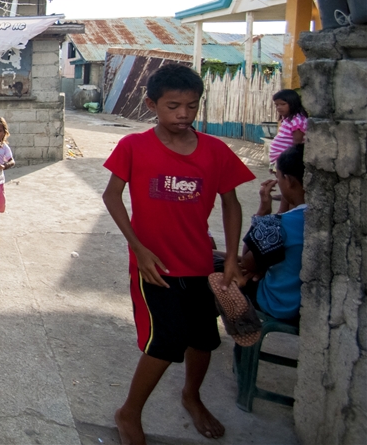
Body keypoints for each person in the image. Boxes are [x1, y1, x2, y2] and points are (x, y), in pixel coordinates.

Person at [101, 63, 255, 445]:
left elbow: (231, 204)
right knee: (166, 342)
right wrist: (138, 247)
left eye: (191, 105)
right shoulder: (133, 146)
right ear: (152, 104)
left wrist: (232, 258)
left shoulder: (216, 152)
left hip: (201, 265)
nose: (183, 114)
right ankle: (129, 412)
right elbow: (111, 196)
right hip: (154, 267)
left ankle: (192, 395)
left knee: (204, 339)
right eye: (173, 106)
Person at [241, 144, 305, 322]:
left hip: (279, 305)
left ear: (288, 180)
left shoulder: (278, 224)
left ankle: (244, 336)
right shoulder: (319, 218)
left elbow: (247, 262)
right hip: (305, 307)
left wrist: (262, 211)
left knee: (226, 278)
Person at [268, 89, 307, 169]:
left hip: (287, 162)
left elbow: (297, 145)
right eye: (276, 105)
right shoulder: (288, 119)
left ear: (293, 103)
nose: (279, 107)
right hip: (280, 161)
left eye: (283, 104)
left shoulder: (297, 120)